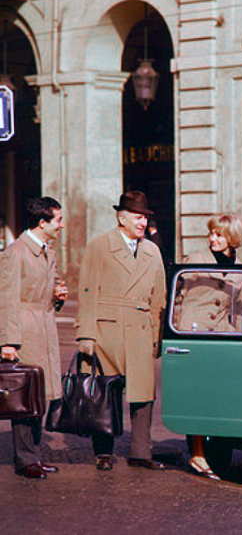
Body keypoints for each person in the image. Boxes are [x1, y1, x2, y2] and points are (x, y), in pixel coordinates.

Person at [75, 191, 166, 471]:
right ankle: (103, 452)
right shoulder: (99, 245)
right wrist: (86, 334)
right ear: (121, 217)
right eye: (138, 216)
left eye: (145, 217)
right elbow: (88, 291)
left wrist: (156, 337)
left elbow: (158, 298)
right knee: (105, 392)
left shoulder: (152, 250)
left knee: (143, 396)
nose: (143, 222)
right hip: (106, 330)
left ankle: (141, 452)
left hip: (139, 329)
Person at [0, 197, 68, 478]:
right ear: (43, 223)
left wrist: (57, 298)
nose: (62, 225)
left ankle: (33, 456)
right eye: (59, 220)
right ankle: (25, 459)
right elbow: (6, 299)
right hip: (26, 330)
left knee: (38, 395)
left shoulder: (47, 251)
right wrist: (8, 341)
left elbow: (44, 293)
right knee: (24, 395)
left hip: (45, 327)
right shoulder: (16, 253)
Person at [179, 213, 242, 479]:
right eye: (211, 234)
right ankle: (197, 453)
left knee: (220, 394)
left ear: (232, 238)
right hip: (194, 333)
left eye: (219, 234)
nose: (213, 239)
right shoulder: (195, 260)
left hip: (221, 335)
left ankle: (214, 451)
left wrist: (241, 338)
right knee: (198, 393)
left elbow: (239, 310)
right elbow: (177, 296)